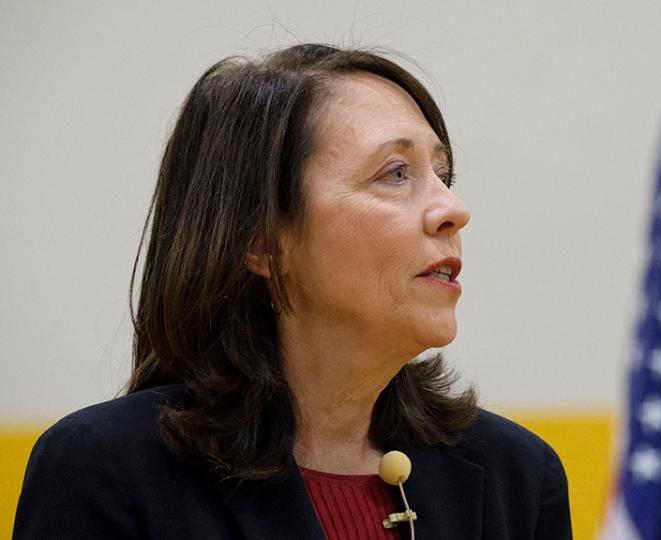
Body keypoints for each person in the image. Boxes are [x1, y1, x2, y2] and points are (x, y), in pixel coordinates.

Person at [14, 43, 572, 539]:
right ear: (260, 241)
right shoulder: (109, 471)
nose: (454, 210)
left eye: (443, 177)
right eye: (396, 173)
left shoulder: (517, 477)